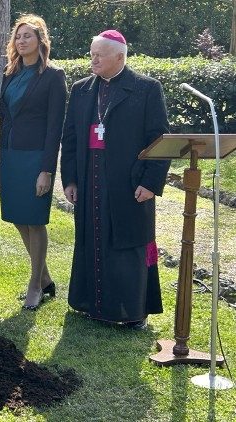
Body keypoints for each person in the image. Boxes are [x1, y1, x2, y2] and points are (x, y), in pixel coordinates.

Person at [60, 30, 170, 329]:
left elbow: (159, 139)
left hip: (128, 180)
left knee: (128, 242)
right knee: (91, 239)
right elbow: (69, 138)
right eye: (91, 53)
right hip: (89, 175)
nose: (93, 59)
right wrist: (70, 179)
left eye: (99, 54)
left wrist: (150, 182)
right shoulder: (82, 89)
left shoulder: (146, 88)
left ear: (120, 57)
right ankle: (90, 304)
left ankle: (132, 312)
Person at [0, 15, 66, 310]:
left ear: (41, 41)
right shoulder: (9, 73)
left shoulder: (53, 75)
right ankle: (47, 277)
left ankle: (35, 284)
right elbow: (5, 120)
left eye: (28, 36)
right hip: (12, 157)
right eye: (18, 36)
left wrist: (47, 170)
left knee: (35, 220)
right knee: (17, 216)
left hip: (37, 158)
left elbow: (55, 127)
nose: (22, 41)